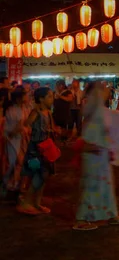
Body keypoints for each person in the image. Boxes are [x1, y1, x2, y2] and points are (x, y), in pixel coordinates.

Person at [73, 83, 119, 230]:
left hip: (101, 154)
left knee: (106, 186)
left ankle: (111, 215)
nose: (105, 92)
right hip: (93, 155)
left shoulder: (99, 111)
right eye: (101, 90)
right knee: (91, 187)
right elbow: (87, 137)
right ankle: (82, 219)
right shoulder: (91, 110)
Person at [18, 87, 57, 215]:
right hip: (35, 150)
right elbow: (25, 125)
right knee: (38, 176)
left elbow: (50, 128)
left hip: (46, 150)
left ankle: (36, 203)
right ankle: (26, 203)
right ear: (41, 99)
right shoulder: (35, 112)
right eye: (49, 96)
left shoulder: (48, 113)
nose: (52, 99)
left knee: (43, 176)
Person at [2, 88, 31, 204]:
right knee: (15, 163)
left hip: (21, 139)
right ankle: (9, 186)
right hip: (13, 140)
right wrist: (17, 130)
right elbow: (9, 130)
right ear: (19, 98)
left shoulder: (24, 109)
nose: (27, 97)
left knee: (20, 163)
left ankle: (17, 186)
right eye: (25, 95)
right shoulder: (12, 110)